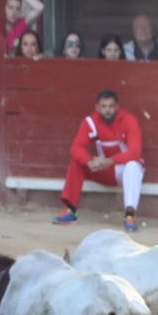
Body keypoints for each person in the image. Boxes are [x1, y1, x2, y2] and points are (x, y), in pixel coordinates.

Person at [53, 89, 147, 231]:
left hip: (123, 170)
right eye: (103, 107)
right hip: (104, 169)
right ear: (97, 108)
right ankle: (70, 210)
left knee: (133, 166)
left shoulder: (129, 120)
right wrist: (89, 161)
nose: (107, 110)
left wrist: (109, 161)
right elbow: (75, 148)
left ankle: (130, 215)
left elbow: (135, 153)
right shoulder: (91, 122)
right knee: (77, 162)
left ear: (117, 107)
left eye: (111, 106)